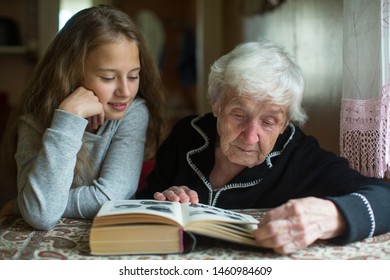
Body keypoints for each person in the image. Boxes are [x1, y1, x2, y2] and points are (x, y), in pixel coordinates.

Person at [137, 40, 390, 254]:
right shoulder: (187, 134)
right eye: (238, 115)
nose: (250, 137)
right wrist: (163, 200)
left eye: (268, 122)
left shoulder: (298, 156)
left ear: (285, 123)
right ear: (216, 104)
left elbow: (384, 198)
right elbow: (145, 199)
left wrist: (332, 216)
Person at [0, 5, 165, 230]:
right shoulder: (33, 121)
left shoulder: (134, 112)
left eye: (134, 76)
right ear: (71, 73)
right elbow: (42, 215)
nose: (125, 91)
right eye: (108, 78)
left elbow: (110, 198)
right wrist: (68, 120)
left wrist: (22, 205)